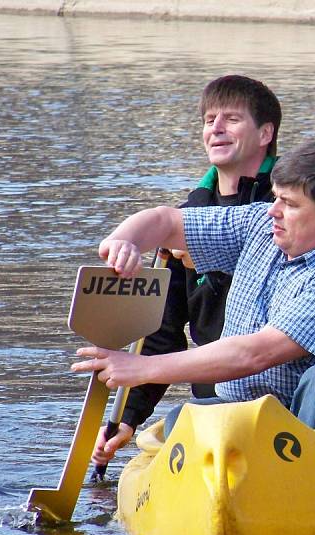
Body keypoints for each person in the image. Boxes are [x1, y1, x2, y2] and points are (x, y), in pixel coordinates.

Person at [74, 140, 315, 465]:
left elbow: (255, 353)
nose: (273, 210)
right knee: (186, 417)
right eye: (275, 197)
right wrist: (122, 242)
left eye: (289, 204)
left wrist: (143, 369)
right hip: (254, 413)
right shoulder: (259, 226)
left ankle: (309, 483)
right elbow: (165, 221)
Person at [89, 75, 282, 466]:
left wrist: (217, 266)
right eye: (209, 119)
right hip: (215, 398)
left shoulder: (290, 207)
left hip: (283, 394)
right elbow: (162, 335)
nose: (216, 128)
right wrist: (128, 418)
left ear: (265, 133)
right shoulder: (186, 218)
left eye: (231, 118)